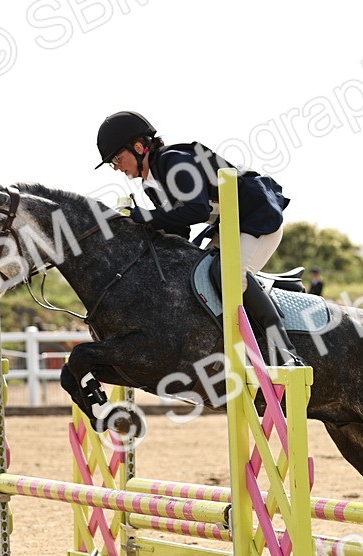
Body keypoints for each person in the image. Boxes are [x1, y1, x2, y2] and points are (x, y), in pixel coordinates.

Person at [96, 111, 304, 367]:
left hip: (258, 220)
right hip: (229, 225)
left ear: (138, 147)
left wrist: (142, 216)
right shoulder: (151, 184)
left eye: (117, 158)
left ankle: (286, 350)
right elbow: (179, 230)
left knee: (226, 275)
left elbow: (197, 210)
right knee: (194, 274)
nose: (116, 166)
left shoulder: (173, 162)